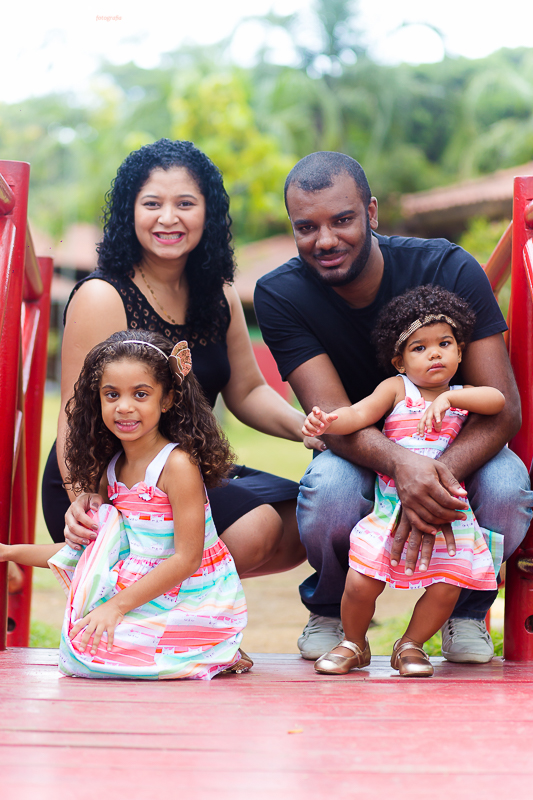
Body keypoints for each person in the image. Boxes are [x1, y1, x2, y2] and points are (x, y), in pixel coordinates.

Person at [254, 150, 533, 663]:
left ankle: (466, 612)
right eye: (306, 227)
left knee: (507, 488)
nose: (326, 241)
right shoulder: (282, 294)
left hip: (458, 437)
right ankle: (334, 611)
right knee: (329, 489)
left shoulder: (447, 267)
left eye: (342, 220)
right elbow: (337, 421)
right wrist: (404, 466)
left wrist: (434, 475)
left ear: (372, 213)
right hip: (364, 448)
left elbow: (504, 409)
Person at [42, 138, 317, 584]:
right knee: (256, 528)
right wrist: (82, 498)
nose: (168, 218)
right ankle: (166, 616)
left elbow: (247, 390)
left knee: (305, 519)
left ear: (207, 213)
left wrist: (308, 431)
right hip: (110, 474)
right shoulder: (103, 295)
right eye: (152, 203)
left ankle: (173, 600)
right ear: (130, 212)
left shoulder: (219, 294)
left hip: (186, 468)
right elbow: (76, 412)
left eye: (185, 203)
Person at [3, 331, 248, 680]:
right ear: (98, 400)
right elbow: (92, 553)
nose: (124, 406)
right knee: (80, 652)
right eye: (112, 394)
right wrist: (9, 552)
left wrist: (115, 608)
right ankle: (202, 649)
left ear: (167, 400)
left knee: (98, 653)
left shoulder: (176, 466)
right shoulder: (113, 469)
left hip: (192, 596)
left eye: (141, 394)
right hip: (140, 589)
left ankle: (215, 646)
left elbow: (187, 558)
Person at [303, 286, 505, 676]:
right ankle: (354, 641)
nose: (434, 353)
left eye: (445, 343)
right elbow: (357, 415)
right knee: (362, 579)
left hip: (448, 512)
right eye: (419, 348)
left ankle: (410, 644)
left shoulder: (465, 394)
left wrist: (449, 400)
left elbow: (497, 399)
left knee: (447, 585)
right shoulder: (397, 389)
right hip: (392, 505)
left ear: (460, 352)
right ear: (399, 360)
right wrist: (326, 421)